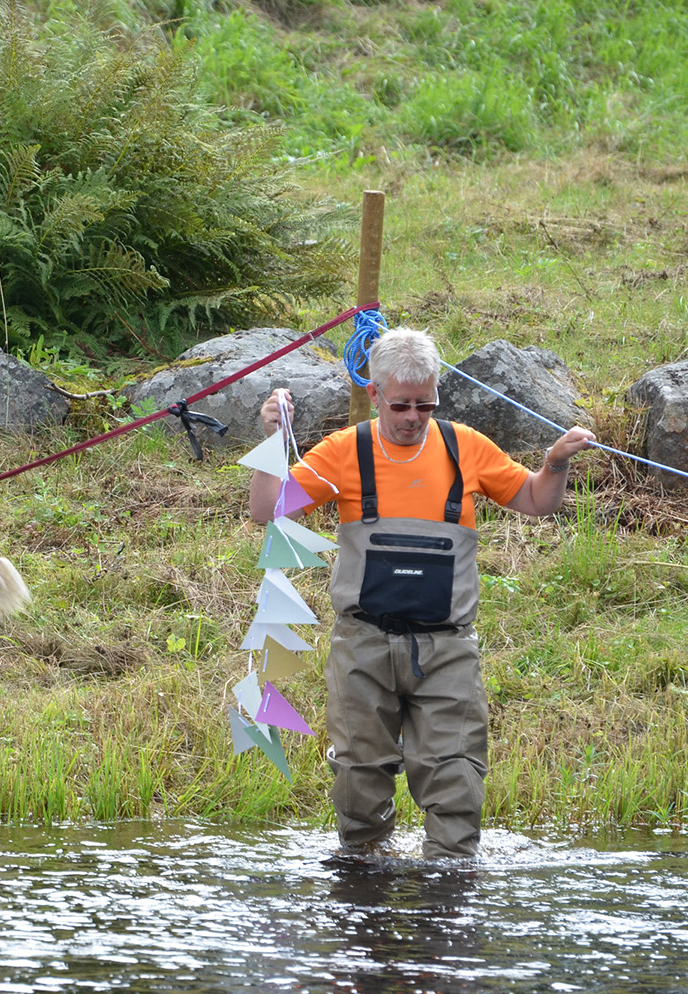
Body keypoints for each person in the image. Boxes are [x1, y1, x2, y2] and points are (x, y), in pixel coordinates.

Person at [248, 329, 595, 859]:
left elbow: (534, 500)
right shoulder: (344, 451)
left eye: (425, 404)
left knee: (455, 774)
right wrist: (272, 442)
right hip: (362, 645)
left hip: (448, 649)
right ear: (375, 393)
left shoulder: (465, 447)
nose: (413, 416)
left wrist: (555, 463)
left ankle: (450, 893)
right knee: (358, 777)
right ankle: (363, 881)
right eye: (403, 405)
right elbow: (269, 513)